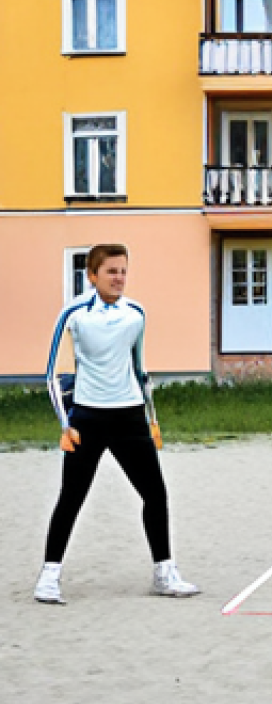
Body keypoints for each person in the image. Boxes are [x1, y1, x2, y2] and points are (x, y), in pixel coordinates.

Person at [35, 244, 199, 605]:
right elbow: (50, 374)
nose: (119, 278)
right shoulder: (74, 313)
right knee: (71, 497)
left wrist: (152, 418)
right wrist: (65, 424)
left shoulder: (135, 314)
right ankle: (49, 576)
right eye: (111, 271)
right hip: (87, 418)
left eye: (123, 271)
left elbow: (139, 369)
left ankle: (164, 572)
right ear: (92, 275)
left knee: (155, 494)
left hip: (130, 417)